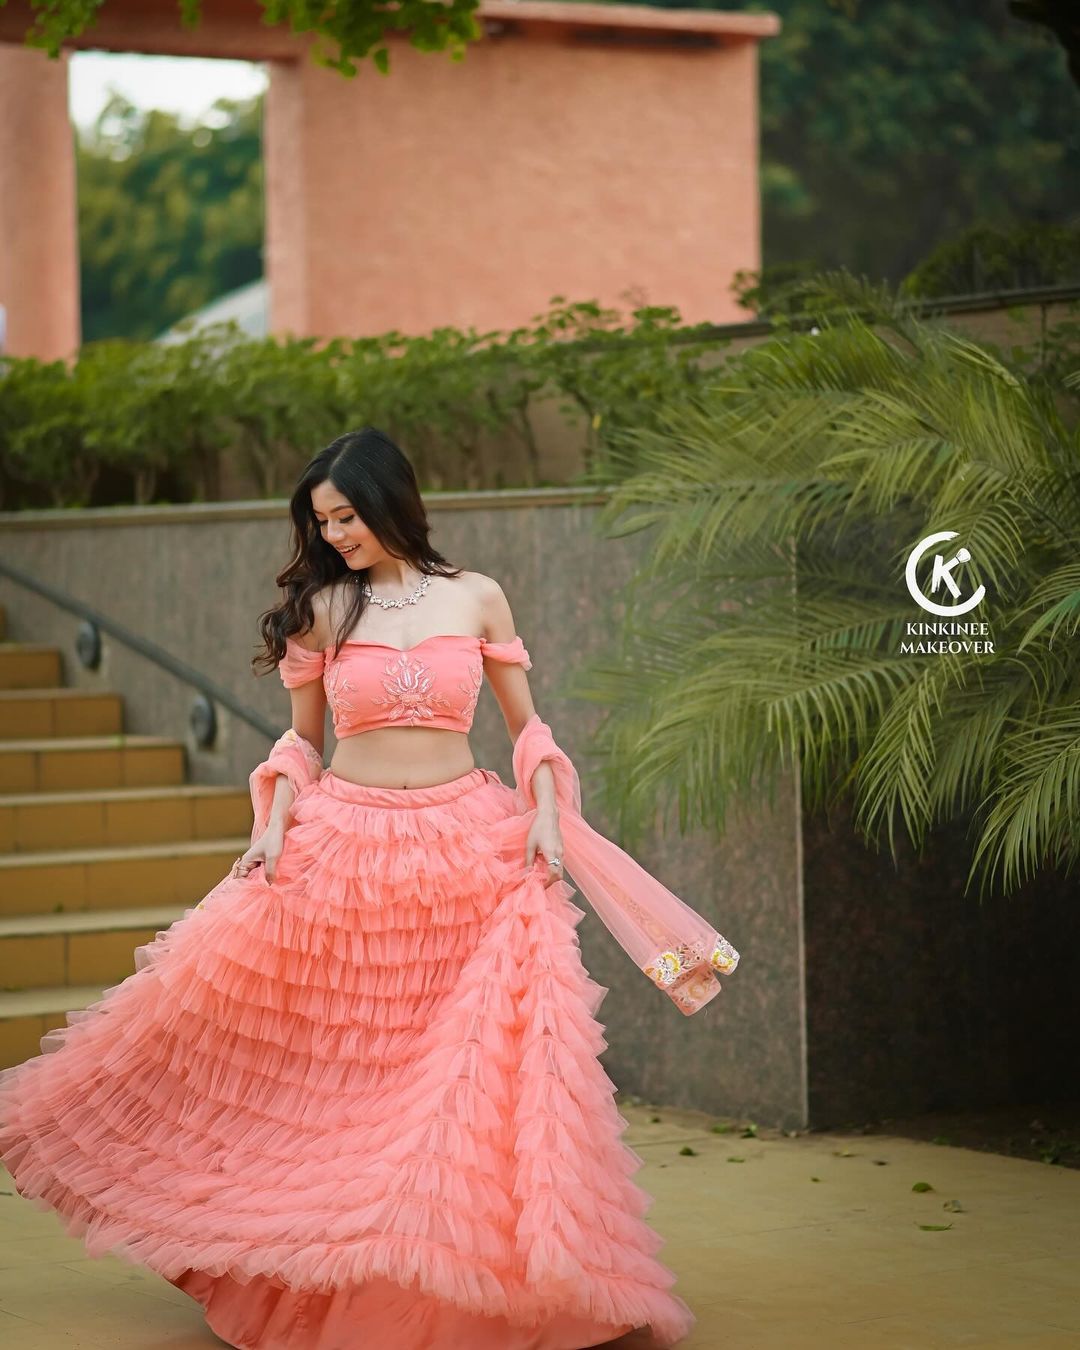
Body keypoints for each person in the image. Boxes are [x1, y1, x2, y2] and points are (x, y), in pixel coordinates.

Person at [0, 427, 740, 1350]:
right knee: (335, 1086)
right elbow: (303, 741)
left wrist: (546, 812)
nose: (337, 534)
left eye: (347, 515)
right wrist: (272, 825)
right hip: (343, 852)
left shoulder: (477, 597)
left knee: (452, 1093)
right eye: (323, 521)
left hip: (467, 852)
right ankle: (328, 1272)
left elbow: (527, 728)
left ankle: (453, 1288)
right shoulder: (322, 609)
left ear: (392, 500)